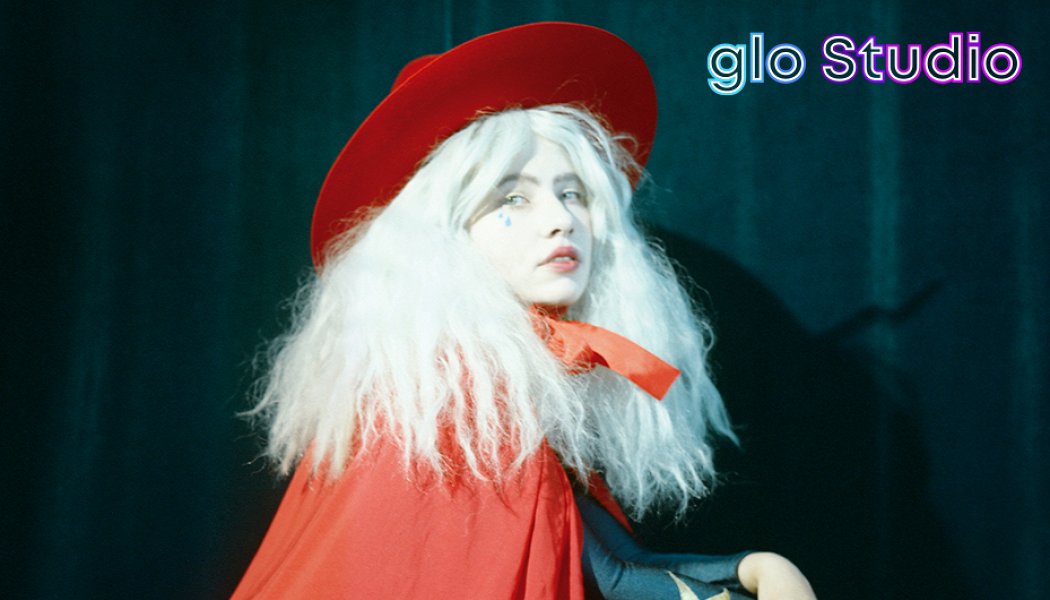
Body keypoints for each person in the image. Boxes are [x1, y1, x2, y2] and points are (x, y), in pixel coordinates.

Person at [233, 22, 816, 600]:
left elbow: (605, 567)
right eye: (512, 197)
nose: (561, 220)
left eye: (572, 193)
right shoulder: (452, 401)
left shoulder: (504, 391)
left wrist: (749, 570)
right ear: (443, 236)